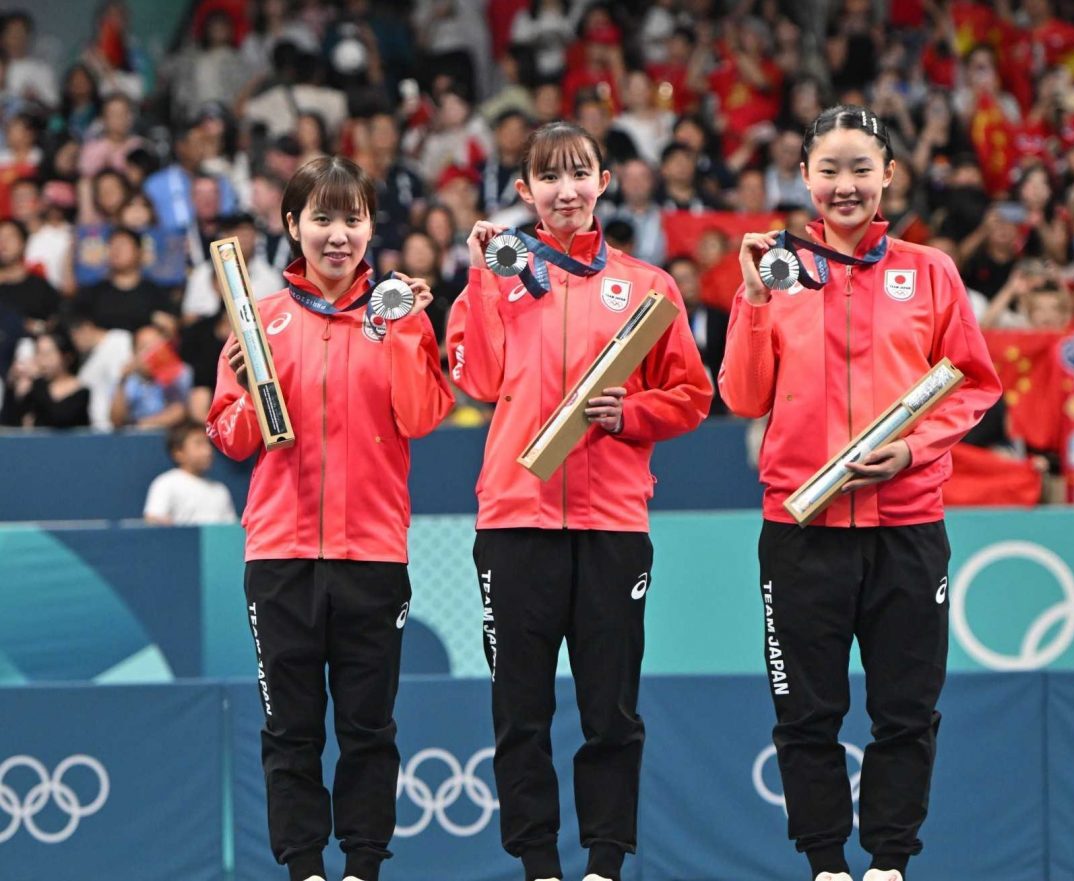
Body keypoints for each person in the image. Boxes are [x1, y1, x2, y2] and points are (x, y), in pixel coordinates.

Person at [719, 106, 1001, 881]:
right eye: (829, 170)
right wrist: (749, 302)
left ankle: (887, 863)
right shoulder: (774, 271)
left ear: (889, 177)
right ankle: (825, 865)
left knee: (905, 711)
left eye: (860, 169)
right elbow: (743, 398)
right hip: (800, 525)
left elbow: (975, 384)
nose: (845, 185)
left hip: (907, 525)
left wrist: (913, 448)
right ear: (803, 178)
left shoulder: (931, 270)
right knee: (807, 714)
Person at [446, 121, 712, 881]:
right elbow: (478, 377)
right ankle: (537, 865)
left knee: (611, 710)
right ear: (523, 188)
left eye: (580, 173)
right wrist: (480, 277)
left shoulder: (649, 286)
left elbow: (693, 395)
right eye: (549, 177)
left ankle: (603, 864)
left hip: (611, 525)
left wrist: (630, 415)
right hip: (515, 520)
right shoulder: (501, 271)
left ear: (604, 181)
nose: (567, 190)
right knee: (519, 713)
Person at [206, 155, 453, 881]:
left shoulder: (399, 315)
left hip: (372, 554)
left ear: (372, 226)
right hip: (279, 555)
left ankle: (363, 867)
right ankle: (305, 867)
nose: (337, 235)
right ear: (292, 226)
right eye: (322, 218)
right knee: (291, 727)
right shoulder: (262, 321)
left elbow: (424, 413)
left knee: (368, 727)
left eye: (352, 218)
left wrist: (407, 329)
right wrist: (254, 392)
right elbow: (227, 436)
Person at [144, 420, 237, 524]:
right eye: (198, 444)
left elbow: (230, 531)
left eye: (208, 443)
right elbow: (153, 520)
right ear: (178, 452)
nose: (208, 451)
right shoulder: (165, 483)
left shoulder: (220, 490)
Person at [0, 330, 90, 428]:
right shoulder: (35, 389)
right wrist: (11, 387)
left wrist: (38, 380)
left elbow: (59, 418)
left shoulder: (81, 391)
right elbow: (9, 422)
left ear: (66, 357)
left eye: (47, 354)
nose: (42, 361)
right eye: (38, 353)